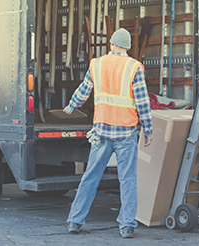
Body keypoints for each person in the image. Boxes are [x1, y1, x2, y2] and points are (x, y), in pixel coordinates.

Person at [63, 28, 153, 238]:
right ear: (128, 47)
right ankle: (126, 225)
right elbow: (142, 102)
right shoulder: (134, 66)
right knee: (128, 179)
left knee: (90, 177)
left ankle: (75, 220)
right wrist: (148, 129)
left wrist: (71, 106)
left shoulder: (97, 63)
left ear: (111, 44)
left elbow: (84, 90)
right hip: (126, 132)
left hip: (102, 131)